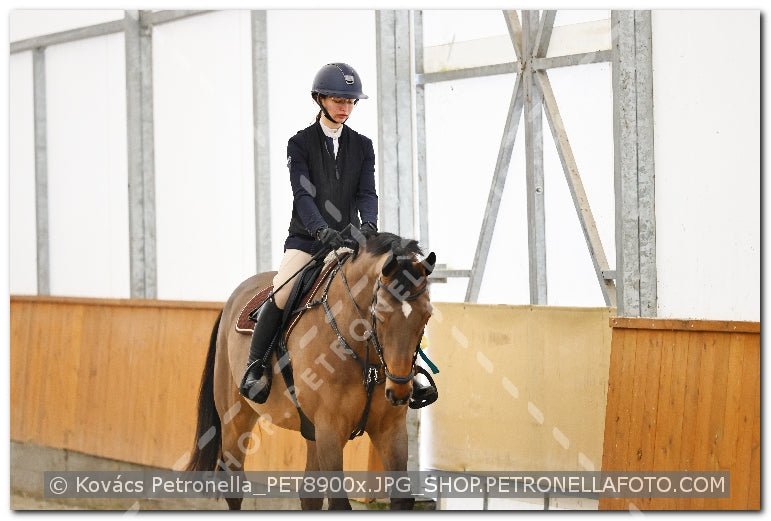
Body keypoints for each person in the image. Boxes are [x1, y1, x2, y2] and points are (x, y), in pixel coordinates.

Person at [239, 62, 437, 409]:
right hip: (307, 240)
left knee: (393, 295)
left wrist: (368, 227)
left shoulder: (362, 146)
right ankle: (256, 366)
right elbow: (302, 195)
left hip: (354, 241)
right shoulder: (299, 144)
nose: (344, 108)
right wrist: (320, 230)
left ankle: (410, 369)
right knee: (282, 293)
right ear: (320, 99)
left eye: (350, 102)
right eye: (337, 100)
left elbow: (367, 193)